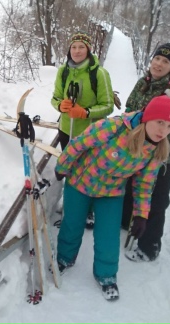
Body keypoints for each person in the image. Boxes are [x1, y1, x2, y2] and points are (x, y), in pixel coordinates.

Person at [54, 96, 170, 301]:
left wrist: (141, 215)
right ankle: (64, 258)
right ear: (148, 117)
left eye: (169, 126)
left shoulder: (157, 148)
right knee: (72, 224)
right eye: (160, 122)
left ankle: (106, 274)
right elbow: (79, 144)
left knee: (109, 234)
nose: (163, 131)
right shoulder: (114, 127)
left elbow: (144, 183)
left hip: (111, 192)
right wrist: (62, 166)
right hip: (80, 181)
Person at [121, 43, 170, 263]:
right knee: (131, 189)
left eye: (166, 62)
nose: (159, 64)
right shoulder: (143, 83)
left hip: (160, 158)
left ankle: (149, 246)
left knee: (156, 200)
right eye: (157, 58)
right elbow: (129, 108)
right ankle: (127, 222)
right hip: (136, 151)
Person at [51, 31, 114, 228]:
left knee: (88, 172)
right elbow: (55, 97)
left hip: (90, 134)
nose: (77, 51)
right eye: (74, 47)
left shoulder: (99, 73)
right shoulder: (63, 71)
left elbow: (108, 105)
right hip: (66, 129)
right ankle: (71, 206)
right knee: (69, 168)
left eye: (81, 47)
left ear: (88, 50)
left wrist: (85, 112)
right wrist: (60, 106)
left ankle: (88, 210)